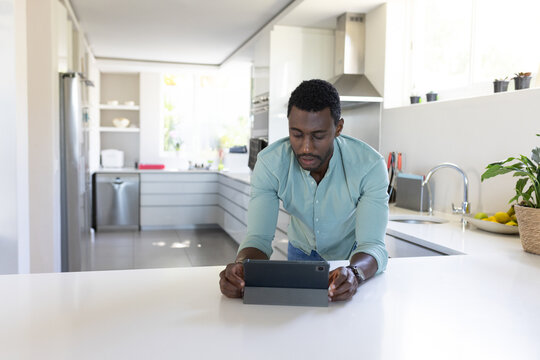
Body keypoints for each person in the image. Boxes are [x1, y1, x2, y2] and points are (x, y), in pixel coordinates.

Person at [219, 79, 389, 302]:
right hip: (301, 251)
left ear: (338, 128)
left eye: (318, 136)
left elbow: (373, 245)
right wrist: (241, 267)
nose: (306, 147)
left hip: (352, 257)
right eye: (297, 134)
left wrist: (355, 273)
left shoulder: (369, 165)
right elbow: (258, 238)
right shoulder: (270, 163)